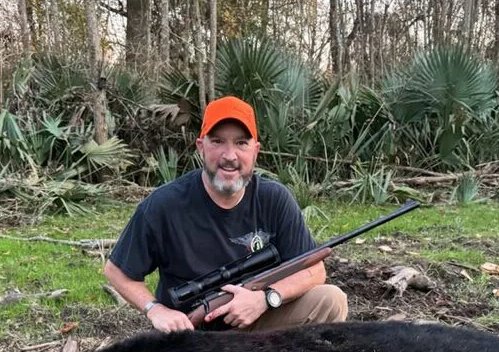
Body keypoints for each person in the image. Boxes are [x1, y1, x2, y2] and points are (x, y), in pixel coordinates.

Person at [104, 96, 348, 333]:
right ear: (201, 147)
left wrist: (265, 299)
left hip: (260, 325)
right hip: (193, 336)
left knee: (330, 299)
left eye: (241, 143)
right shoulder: (163, 205)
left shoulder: (274, 198)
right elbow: (116, 271)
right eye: (218, 141)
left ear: (256, 150)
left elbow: (315, 270)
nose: (229, 156)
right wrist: (155, 310)